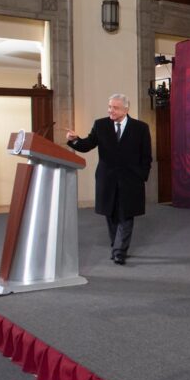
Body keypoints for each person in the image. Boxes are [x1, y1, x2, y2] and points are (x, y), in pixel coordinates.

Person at [66, 94, 152, 265]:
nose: (110, 110)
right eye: (109, 106)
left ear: (126, 109)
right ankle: (116, 245)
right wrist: (75, 140)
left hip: (131, 180)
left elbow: (146, 155)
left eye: (115, 107)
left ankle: (120, 251)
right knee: (111, 214)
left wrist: (142, 175)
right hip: (107, 179)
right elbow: (87, 144)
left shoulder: (140, 128)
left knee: (126, 214)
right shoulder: (101, 125)